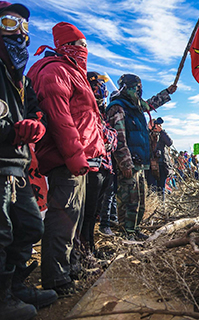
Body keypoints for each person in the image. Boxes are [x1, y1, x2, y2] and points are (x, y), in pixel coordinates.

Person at [28, 21, 106, 297]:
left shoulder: (72, 72)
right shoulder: (56, 72)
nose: (86, 50)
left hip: (80, 158)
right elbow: (62, 121)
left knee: (75, 219)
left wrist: (96, 153)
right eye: (82, 45)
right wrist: (76, 158)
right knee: (63, 220)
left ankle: (71, 269)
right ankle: (57, 280)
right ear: (68, 47)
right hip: (66, 160)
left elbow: (86, 119)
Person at [0, 2, 57, 317]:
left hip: (16, 163)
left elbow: (36, 110)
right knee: (1, 230)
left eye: (24, 25)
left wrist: (36, 126)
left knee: (30, 225)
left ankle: (15, 287)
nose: (19, 32)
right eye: (9, 23)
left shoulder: (20, 78)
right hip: (3, 157)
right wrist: (10, 132)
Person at [106, 73, 175, 239]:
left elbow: (150, 104)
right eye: (137, 87)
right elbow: (119, 139)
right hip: (128, 163)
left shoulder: (135, 106)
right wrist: (125, 162)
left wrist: (168, 92)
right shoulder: (118, 107)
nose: (139, 90)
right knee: (127, 200)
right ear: (127, 87)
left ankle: (134, 230)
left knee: (139, 201)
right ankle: (126, 233)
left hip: (139, 162)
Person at [82, 72, 118, 245]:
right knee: (86, 214)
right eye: (97, 87)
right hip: (90, 166)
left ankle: (89, 249)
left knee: (93, 211)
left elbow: (111, 133)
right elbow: (95, 134)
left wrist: (109, 138)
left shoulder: (101, 112)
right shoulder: (83, 108)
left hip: (105, 166)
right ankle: (83, 252)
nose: (101, 92)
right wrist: (107, 137)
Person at [150, 117, 173, 197]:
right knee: (152, 188)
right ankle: (154, 206)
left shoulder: (162, 134)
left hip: (162, 165)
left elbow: (169, 142)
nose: (156, 126)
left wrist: (161, 131)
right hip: (151, 166)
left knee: (161, 189)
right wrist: (149, 129)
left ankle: (161, 207)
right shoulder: (147, 134)